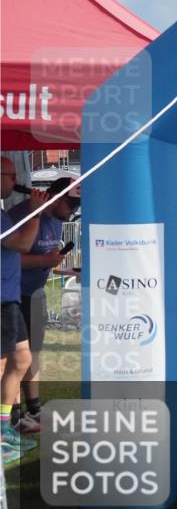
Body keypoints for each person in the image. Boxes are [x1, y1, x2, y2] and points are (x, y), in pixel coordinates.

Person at [6, 176, 80, 433]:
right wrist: (43, 261)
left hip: (35, 293)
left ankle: (34, 409)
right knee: (15, 359)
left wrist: (64, 268)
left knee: (31, 354)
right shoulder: (21, 215)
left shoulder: (57, 221)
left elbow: (45, 259)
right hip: (14, 294)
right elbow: (11, 258)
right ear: (54, 196)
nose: (73, 211)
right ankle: (15, 415)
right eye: (71, 204)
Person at [0, 158, 44, 463]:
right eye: (10, 175)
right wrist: (36, 213)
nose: (15, 180)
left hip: (9, 297)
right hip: (2, 298)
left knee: (22, 359)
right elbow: (24, 243)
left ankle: (6, 426)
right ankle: (2, 432)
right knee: (4, 364)